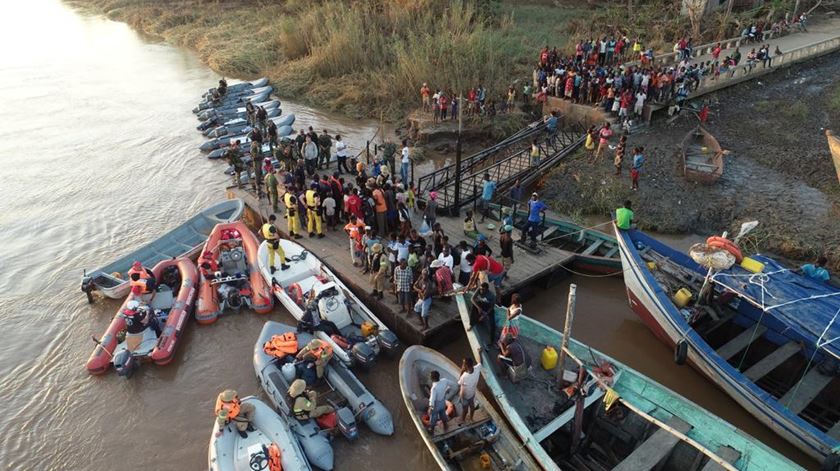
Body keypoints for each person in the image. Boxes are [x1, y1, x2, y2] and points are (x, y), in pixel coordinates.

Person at [458, 358, 481, 424]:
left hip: (465, 396)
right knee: (472, 406)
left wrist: (462, 371)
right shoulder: (477, 368)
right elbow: (480, 362)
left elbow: (461, 386)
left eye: (463, 364)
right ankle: (471, 418)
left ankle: (462, 419)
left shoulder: (464, 376)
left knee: (465, 410)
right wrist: (479, 353)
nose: (462, 365)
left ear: (466, 366)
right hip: (472, 394)